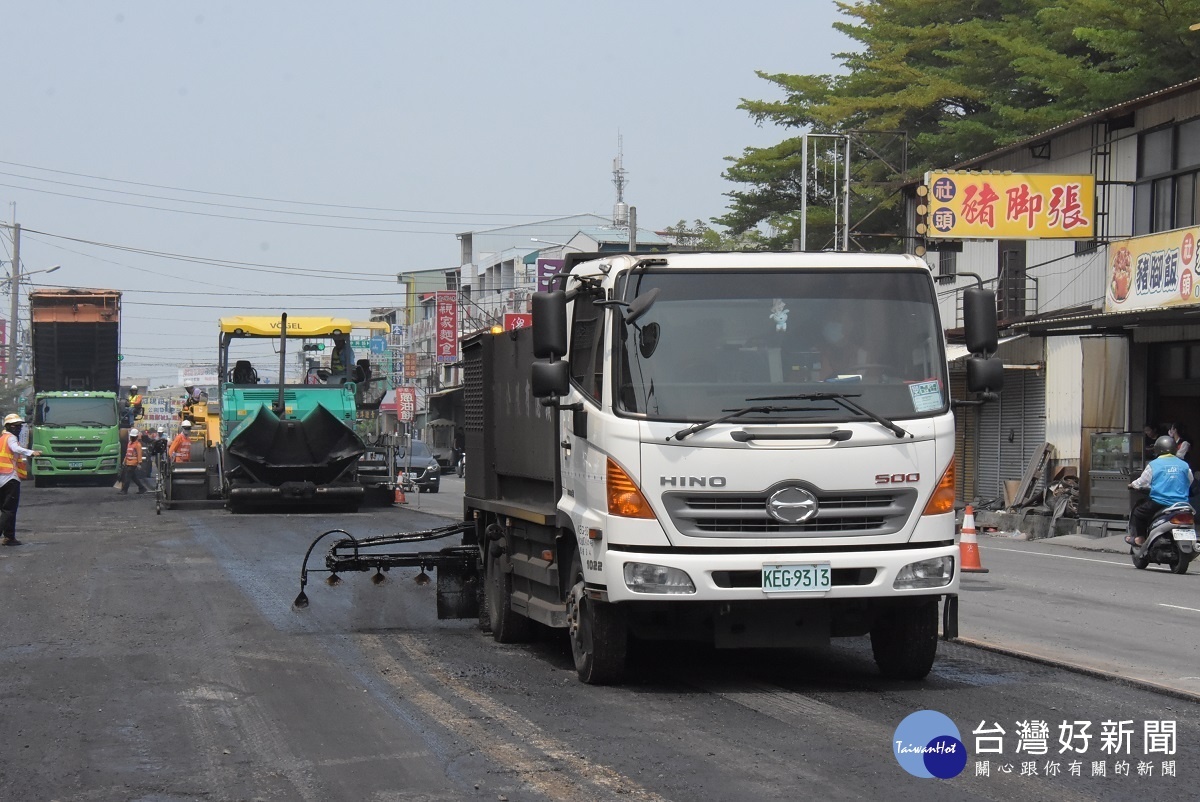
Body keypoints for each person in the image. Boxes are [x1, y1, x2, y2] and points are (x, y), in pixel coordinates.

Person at [1127, 435, 1193, 547]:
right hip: (1182, 504)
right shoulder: (1184, 465)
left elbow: (1142, 482)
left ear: (1157, 449)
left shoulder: (1154, 465)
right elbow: (1189, 481)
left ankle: (1140, 539)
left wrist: (1132, 485)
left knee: (1138, 513)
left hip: (1160, 502)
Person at [0, 413, 42, 546]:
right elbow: (15, 448)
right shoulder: (11, 438)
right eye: (15, 426)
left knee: (6, 509)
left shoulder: (2, 438)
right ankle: (7, 536)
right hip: (10, 478)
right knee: (9, 510)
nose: (17, 429)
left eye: (19, 426)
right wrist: (31, 452)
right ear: (8, 426)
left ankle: (9, 537)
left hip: (2, 477)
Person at [118, 427, 149, 495]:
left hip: (133, 463)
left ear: (136, 437)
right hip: (128, 462)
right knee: (133, 477)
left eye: (134, 436)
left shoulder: (138, 445)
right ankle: (142, 488)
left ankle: (124, 490)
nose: (132, 437)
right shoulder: (129, 444)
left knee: (128, 477)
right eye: (132, 436)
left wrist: (139, 463)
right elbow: (127, 453)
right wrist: (124, 460)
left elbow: (139, 454)